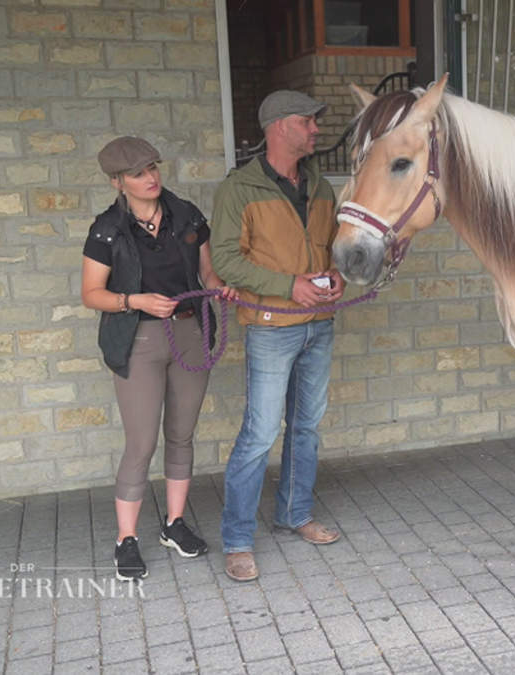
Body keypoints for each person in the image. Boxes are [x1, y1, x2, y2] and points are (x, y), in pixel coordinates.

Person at [81, 136, 238, 581]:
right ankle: (125, 539)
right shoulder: (106, 229)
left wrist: (217, 285)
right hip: (139, 341)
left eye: (153, 167)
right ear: (117, 181)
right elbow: (92, 294)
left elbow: (206, 269)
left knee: (182, 435)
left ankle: (174, 524)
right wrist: (136, 300)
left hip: (190, 332)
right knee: (141, 443)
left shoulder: (186, 214)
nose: (150, 178)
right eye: (137, 173)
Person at [212, 90, 347, 583]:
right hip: (271, 328)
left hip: (320, 326)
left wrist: (338, 276)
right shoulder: (239, 189)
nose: (315, 129)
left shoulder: (322, 186)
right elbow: (225, 260)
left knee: (306, 427)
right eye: (306, 121)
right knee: (260, 433)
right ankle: (237, 539)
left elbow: (335, 247)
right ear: (278, 127)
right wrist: (288, 286)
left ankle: (295, 513)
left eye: (313, 121)